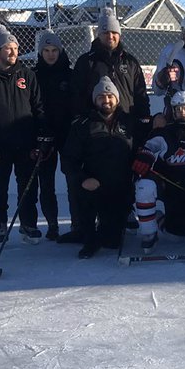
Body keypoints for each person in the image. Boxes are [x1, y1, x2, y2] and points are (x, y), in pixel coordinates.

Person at [0, 26, 49, 244]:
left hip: (25, 143)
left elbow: (38, 107)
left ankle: (28, 225)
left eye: (15, 48)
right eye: (7, 48)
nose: (13, 53)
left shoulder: (27, 75)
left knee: (28, 186)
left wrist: (43, 136)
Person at [131, 89, 185, 249]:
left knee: (176, 236)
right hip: (166, 186)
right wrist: (145, 156)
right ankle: (149, 232)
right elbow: (149, 147)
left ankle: (179, 221)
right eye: (179, 109)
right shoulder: (164, 133)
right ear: (173, 112)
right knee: (144, 186)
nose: (183, 113)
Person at [62, 77, 136, 258]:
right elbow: (68, 160)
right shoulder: (83, 125)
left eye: (110, 96)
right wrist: (82, 179)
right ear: (95, 100)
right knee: (83, 196)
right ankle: (88, 237)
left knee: (112, 243)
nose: (106, 100)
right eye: (101, 96)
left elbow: (144, 147)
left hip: (121, 186)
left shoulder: (129, 123)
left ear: (117, 99)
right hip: (93, 184)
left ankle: (105, 230)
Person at [71, 7, 151, 142]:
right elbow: (76, 94)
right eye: (106, 32)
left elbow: (140, 94)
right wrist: (83, 118)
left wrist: (143, 119)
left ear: (119, 34)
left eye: (114, 32)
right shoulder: (86, 62)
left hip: (127, 124)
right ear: (99, 34)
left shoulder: (130, 61)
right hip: (96, 127)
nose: (110, 36)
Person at [34, 31, 74, 241]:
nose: (50, 55)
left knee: (73, 180)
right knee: (46, 183)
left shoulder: (70, 74)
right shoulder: (33, 75)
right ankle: (52, 224)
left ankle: (77, 222)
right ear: (41, 53)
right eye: (46, 51)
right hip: (43, 139)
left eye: (54, 50)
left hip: (67, 135)